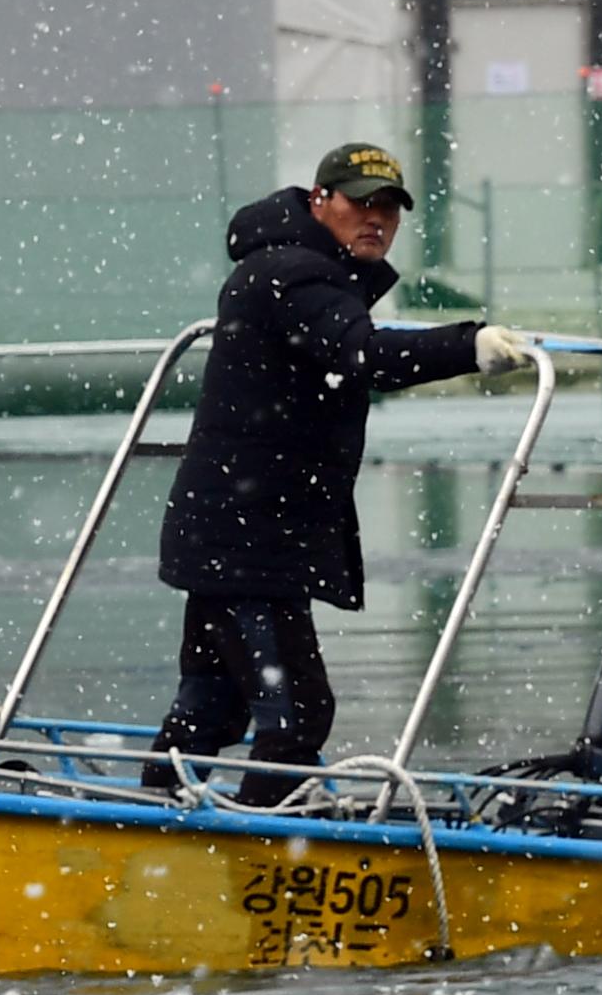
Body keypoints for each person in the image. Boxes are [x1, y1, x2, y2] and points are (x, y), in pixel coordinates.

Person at [143, 142, 528, 803]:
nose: (375, 218)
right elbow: (363, 353)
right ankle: (260, 851)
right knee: (296, 713)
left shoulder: (291, 268)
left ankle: (148, 824)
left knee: (213, 702)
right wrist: (467, 345)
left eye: (389, 207)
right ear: (320, 201)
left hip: (232, 533)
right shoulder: (294, 274)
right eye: (359, 202)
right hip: (247, 542)